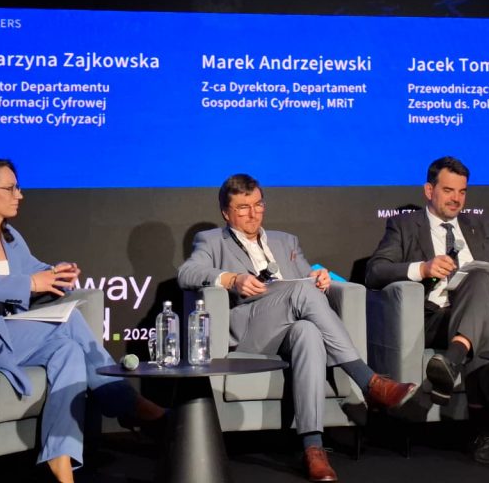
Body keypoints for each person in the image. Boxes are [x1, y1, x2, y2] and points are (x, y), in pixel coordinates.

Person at [0, 159, 166, 483]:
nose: (19, 195)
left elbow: (37, 270)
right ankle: (130, 404)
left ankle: (60, 463)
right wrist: (31, 283)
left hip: (16, 337)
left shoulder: (10, 237)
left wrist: (58, 273)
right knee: (70, 322)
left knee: (68, 351)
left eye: (18, 187)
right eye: (10, 188)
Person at [176, 173, 418, 483]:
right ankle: (368, 381)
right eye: (243, 208)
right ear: (226, 212)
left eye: (258, 204)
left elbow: (306, 281)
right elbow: (187, 273)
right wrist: (232, 279)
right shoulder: (211, 240)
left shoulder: (285, 241)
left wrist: (321, 280)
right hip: (250, 329)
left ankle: (313, 448)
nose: (253, 214)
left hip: (289, 327)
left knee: (308, 332)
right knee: (302, 296)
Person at [365, 156, 489, 465]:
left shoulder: (483, 226)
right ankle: (482, 431)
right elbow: (375, 271)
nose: (456, 199)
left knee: (478, 278)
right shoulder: (404, 226)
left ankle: (452, 359)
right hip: (437, 318)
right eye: (448, 190)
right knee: (482, 325)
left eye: (462, 191)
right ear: (429, 190)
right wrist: (422, 268)